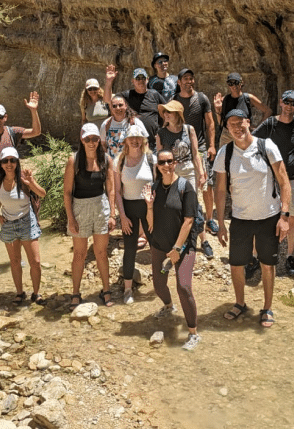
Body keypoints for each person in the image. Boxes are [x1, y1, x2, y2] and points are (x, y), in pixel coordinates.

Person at [214, 110, 291, 328]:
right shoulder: (225, 153)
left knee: (268, 264)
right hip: (240, 218)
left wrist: (284, 216)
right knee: (236, 264)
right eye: (232, 125)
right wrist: (220, 223)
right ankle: (240, 303)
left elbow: (284, 182)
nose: (237, 128)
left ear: (249, 122)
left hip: (268, 216)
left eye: (241, 123)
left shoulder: (266, 146)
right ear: (227, 128)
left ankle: (267, 307)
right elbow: (220, 190)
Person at [253, 90, 294, 276]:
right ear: (281, 102)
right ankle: (258, 257)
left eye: (293, 103)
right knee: (265, 217)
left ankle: (290, 257)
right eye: (287, 102)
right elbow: (254, 142)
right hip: (271, 178)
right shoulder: (270, 123)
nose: (289, 107)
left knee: (293, 219)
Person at [0, 94, 41, 268]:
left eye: (0, 117)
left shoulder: (12, 132)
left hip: (15, 188)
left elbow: (36, 132)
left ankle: (17, 258)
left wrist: (34, 111)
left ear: (6, 117)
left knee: (18, 220)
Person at [144, 149, 200, 350]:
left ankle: (193, 332)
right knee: (159, 285)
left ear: (175, 162)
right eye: (162, 162)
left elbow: (189, 220)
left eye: (169, 161)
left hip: (183, 248)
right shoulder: (155, 188)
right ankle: (169, 306)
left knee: (183, 287)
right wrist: (149, 206)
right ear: (157, 166)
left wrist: (177, 248)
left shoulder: (186, 187)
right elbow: (150, 224)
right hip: (160, 246)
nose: (166, 166)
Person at [64, 124, 117, 309]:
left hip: (100, 207)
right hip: (80, 208)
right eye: (88, 139)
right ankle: (76, 293)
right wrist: (70, 218)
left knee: (101, 253)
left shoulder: (106, 159)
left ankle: (106, 290)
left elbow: (110, 189)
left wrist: (112, 213)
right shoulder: (74, 160)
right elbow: (67, 192)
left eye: (95, 139)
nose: (92, 143)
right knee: (79, 254)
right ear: (81, 139)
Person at [0, 147, 47, 306]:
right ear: (0, 164)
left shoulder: (23, 180)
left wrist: (31, 182)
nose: (9, 164)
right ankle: (20, 293)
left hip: (27, 222)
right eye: (5, 161)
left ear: (17, 162)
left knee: (35, 261)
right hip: (8, 224)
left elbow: (42, 194)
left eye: (12, 160)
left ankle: (36, 293)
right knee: (15, 261)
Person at [156, 100, 212, 258]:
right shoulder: (161, 133)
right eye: (164, 112)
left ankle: (203, 241)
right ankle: (179, 241)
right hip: (170, 172)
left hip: (188, 171)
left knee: (193, 206)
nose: (166, 114)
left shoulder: (189, 129)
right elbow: (160, 158)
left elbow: (195, 154)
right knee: (174, 206)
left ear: (178, 114)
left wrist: (201, 173)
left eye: (169, 112)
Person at [173, 67, 218, 236]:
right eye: (185, 78)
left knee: (206, 183)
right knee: (181, 183)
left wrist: (211, 145)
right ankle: (185, 218)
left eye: (191, 78)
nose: (189, 81)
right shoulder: (175, 100)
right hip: (181, 147)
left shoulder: (202, 99)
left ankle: (210, 219)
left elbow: (210, 123)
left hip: (199, 146)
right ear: (179, 82)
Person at [113, 125, 155, 305]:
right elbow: (117, 191)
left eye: (139, 138)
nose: (135, 141)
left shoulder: (151, 158)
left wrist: (153, 208)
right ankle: (128, 289)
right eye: (132, 138)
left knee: (156, 246)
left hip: (148, 207)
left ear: (143, 140)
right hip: (128, 209)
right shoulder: (119, 161)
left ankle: (160, 286)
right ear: (126, 141)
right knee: (130, 249)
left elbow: (158, 185)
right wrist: (122, 216)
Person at [103, 64, 165, 149]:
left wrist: (163, 130)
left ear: (147, 80)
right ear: (133, 81)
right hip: (133, 145)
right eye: (137, 78)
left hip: (153, 143)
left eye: (143, 78)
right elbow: (108, 100)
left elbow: (166, 112)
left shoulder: (154, 94)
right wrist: (109, 81)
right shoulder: (127, 95)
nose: (141, 81)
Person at [213, 72, 271, 148]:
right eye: (231, 83)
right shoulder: (225, 99)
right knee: (224, 158)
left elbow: (268, 111)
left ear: (241, 83)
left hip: (243, 133)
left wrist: (258, 128)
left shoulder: (248, 98)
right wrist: (218, 110)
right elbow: (221, 122)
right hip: (228, 135)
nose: (234, 86)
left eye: (236, 82)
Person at [99, 93, 147, 159]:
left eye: (120, 105)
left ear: (126, 106)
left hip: (131, 164)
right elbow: (103, 145)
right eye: (114, 106)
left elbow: (145, 142)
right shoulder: (106, 124)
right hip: (113, 166)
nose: (118, 108)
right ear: (111, 108)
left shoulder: (135, 122)